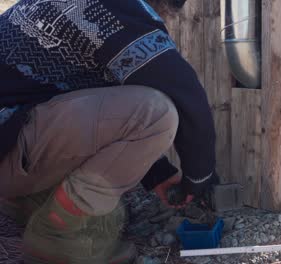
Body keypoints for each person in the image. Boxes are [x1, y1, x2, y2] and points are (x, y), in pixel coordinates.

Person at [0, 0, 218, 263]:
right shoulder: (120, 11)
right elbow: (185, 93)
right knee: (156, 113)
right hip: (10, 144)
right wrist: (199, 178)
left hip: (11, 136)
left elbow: (91, 111)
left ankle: (20, 203)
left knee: (106, 206)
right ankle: (55, 234)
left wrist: (158, 174)